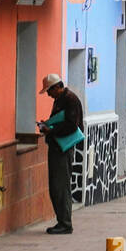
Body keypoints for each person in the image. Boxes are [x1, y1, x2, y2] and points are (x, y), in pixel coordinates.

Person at [37, 73, 84, 234]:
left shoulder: (70, 100)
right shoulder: (62, 99)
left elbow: (72, 125)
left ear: (57, 87)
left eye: (49, 91)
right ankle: (62, 221)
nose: (49, 95)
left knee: (60, 186)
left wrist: (52, 129)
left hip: (62, 148)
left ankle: (65, 223)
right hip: (57, 146)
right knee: (56, 186)